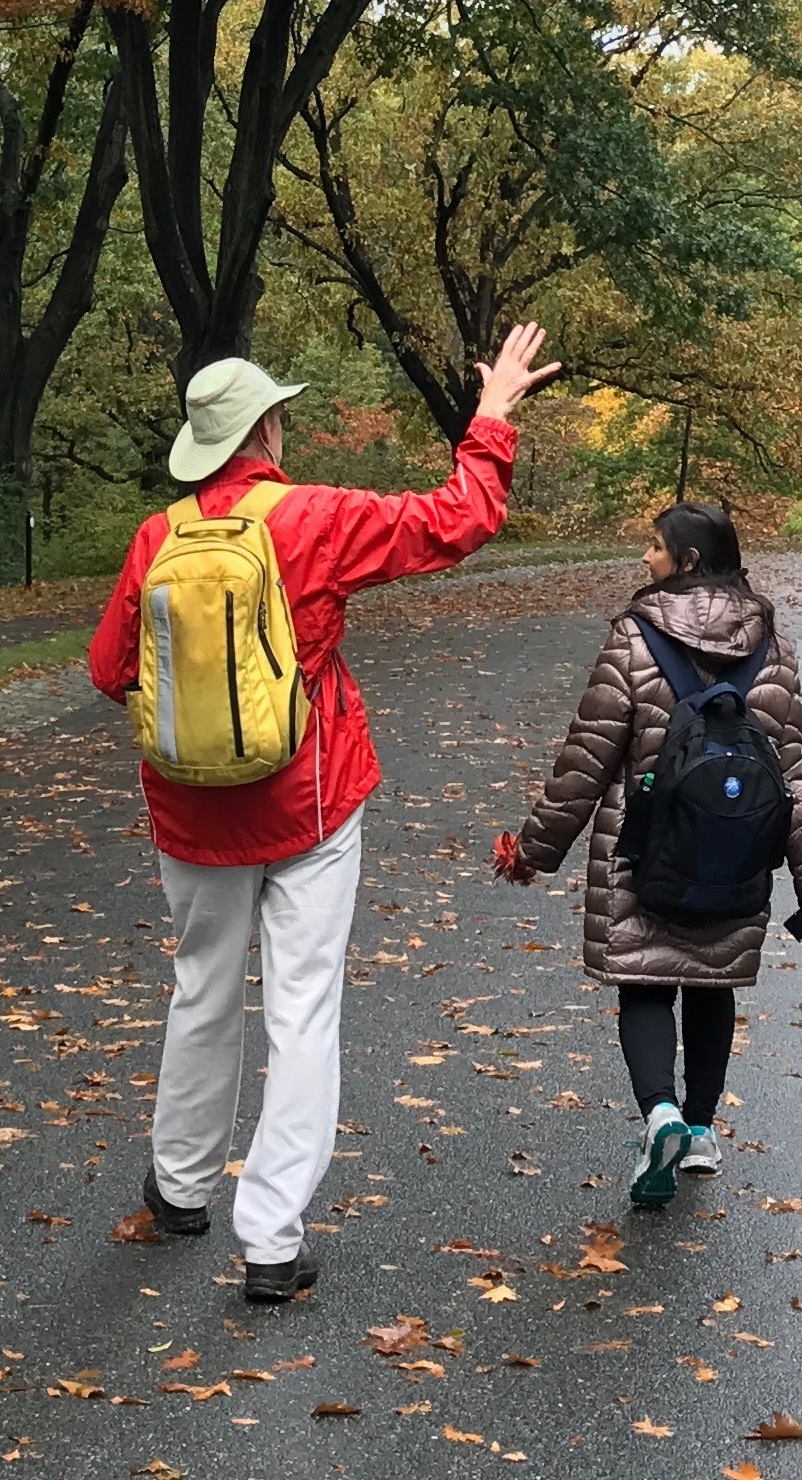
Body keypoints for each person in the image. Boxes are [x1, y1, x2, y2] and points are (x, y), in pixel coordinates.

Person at [89, 325, 558, 1301]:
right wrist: (494, 413)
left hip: (190, 814)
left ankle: (179, 1188)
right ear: (267, 425)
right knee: (301, 1010)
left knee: (202, 991)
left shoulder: (156, 538)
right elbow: (456, 520)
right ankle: (269, 1239)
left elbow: (108, 671)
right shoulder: (313, 519)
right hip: (307, 803)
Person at [502, 501, 802, 1208]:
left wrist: (536, 847)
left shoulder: (634, 636)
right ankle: (701, 1127)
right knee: (712, 983)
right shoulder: (769, 643)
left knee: (647, 983)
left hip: (644, 845)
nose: (644, 558)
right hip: (738, 845)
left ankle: (658, 1115)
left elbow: (587, 756)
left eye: (654, 547)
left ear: (686, 561)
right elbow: (793, 768)